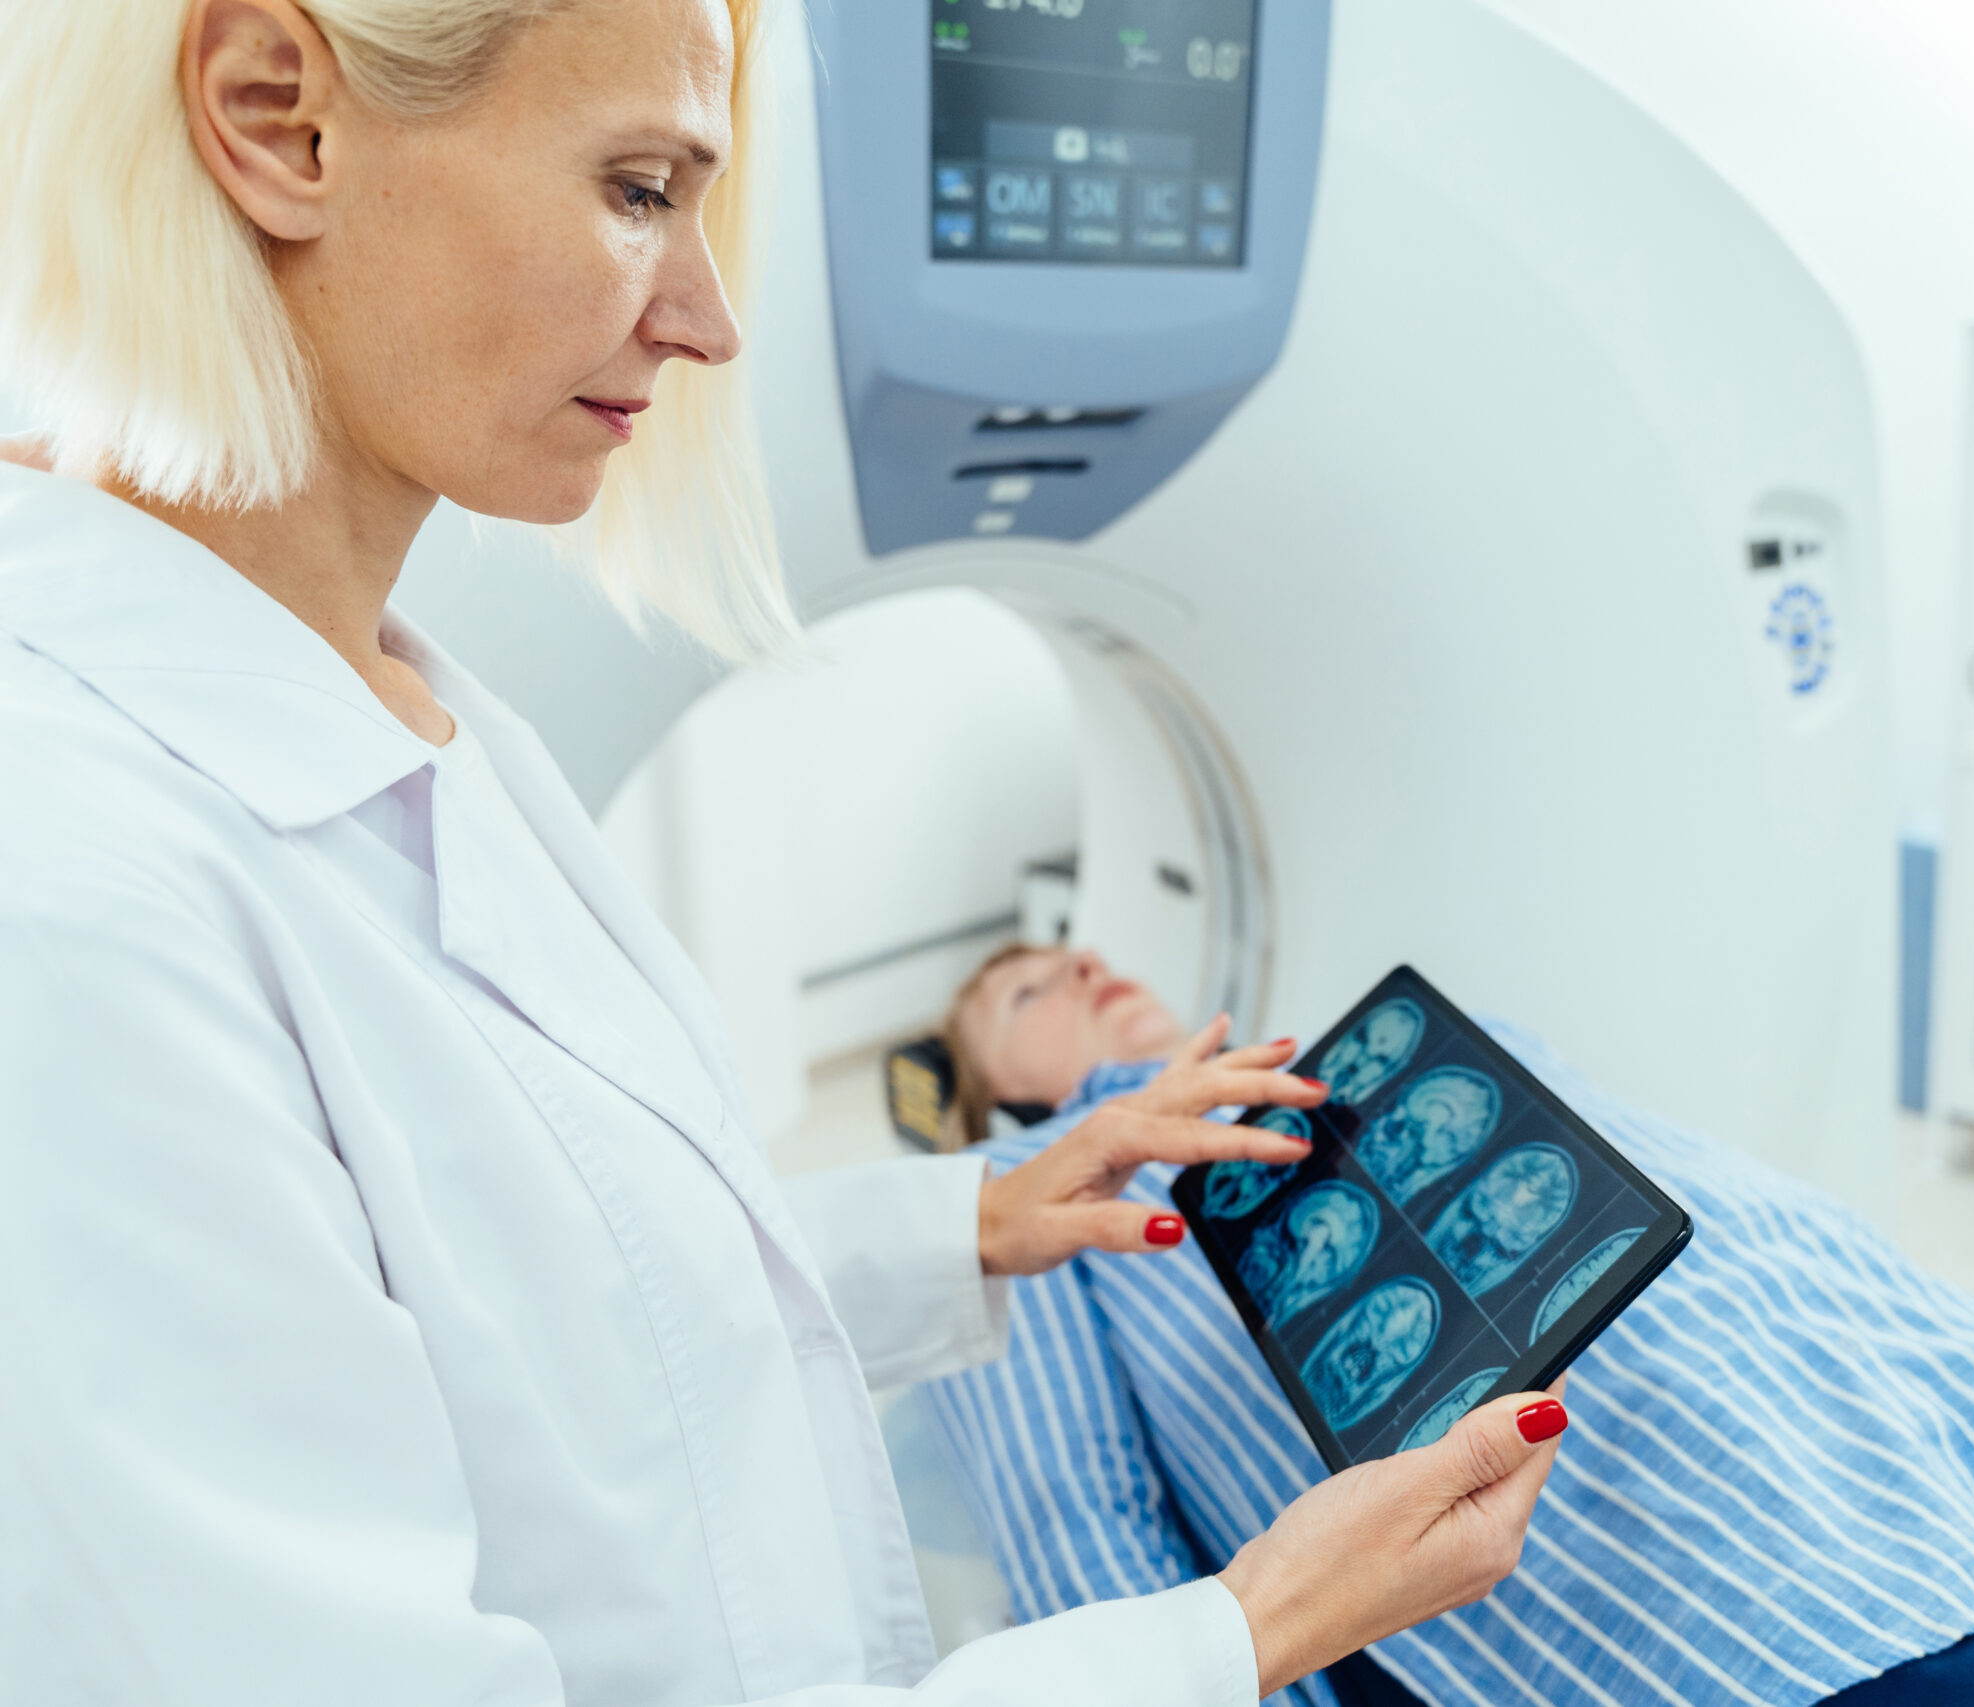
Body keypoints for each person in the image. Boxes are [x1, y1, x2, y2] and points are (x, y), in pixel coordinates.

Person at [0, 5, 1572, 1702]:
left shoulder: (409, 709)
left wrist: (965, 1220)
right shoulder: (74, 897)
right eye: (636, 187)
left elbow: (537, 1339)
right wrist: (1240, 1630)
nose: (711, 320)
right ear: (277, 120)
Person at [928, 944, 1974, 1707]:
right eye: (1022, 991)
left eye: (1071, 946)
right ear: (996, 1086)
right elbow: (1108, 1570)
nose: (1075, 962)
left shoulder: (1386, 1035)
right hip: (1707, 1573)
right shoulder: (1035, 1202)